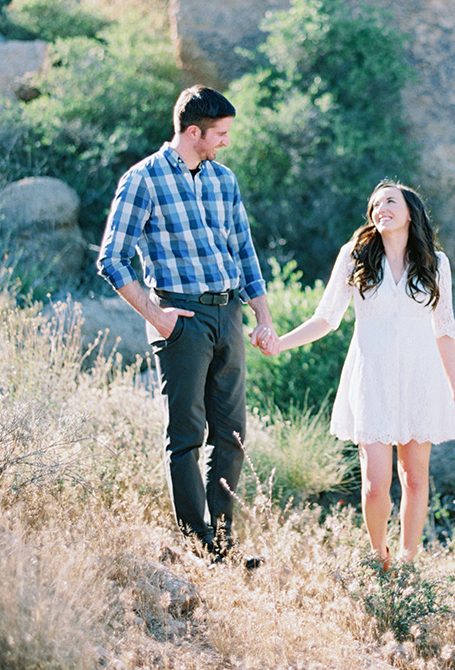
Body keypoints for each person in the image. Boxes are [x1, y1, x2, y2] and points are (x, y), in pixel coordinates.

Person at [97, 84, 276, 562]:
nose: (226, 142)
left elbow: (244, 251)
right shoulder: (143, 179)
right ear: (193, 132)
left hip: (229, 315)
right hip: (181, 318)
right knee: (186, 437)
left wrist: (263, 316)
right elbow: (112, 260)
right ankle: (197, 543)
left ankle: (221, 544)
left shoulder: (223, 180)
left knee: (232, 436)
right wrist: (159, 317)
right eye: (219, 133)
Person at [255, 181, 455, 566]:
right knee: (374, 485)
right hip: (372, 380)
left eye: (390, 201)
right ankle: (377, 556)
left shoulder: (436, 262)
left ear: (410, 211)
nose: (380, 207)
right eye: (375, 203)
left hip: (421, 380)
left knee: (415, 480)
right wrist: (281, 342)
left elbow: (445, 329)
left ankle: (407, 560)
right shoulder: (354, 257)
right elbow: (326, 318)